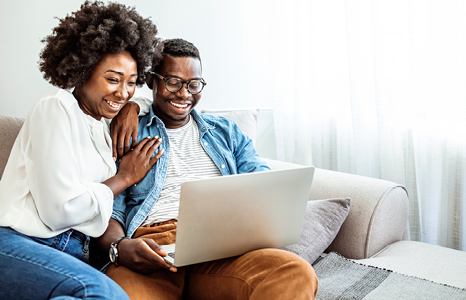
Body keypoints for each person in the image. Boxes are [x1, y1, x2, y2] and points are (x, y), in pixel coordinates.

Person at [98, 38, 318, 299]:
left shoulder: (226, 132)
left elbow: (262, 183)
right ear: (151, 80)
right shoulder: (128, 132)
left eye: (194, 84)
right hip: (153, 249)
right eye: (173, 82)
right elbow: (107, 208)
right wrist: (121, 247)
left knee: (295, 272)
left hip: (222, 249)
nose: (184, 93)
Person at [0, 1, 163, 299]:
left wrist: (133, 105)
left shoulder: (102, 126)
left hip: (72, 253)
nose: (122, 92)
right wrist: (124, 178)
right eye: (112, 79)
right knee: (103, 292)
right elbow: (59, 210)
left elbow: (150, 102)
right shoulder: (56, 106)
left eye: (131, 82)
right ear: (82, 70)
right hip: (19, 242)